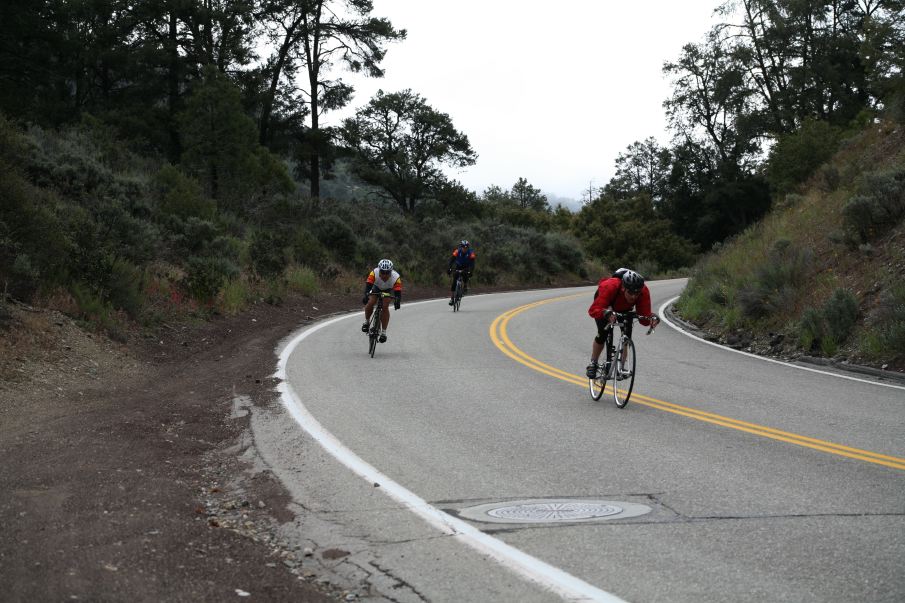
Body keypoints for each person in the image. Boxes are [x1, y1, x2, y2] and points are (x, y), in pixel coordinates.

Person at [586, 268, 660, 378]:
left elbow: (643, 319)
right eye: (630, 292)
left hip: (625, 309)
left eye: (637, 293)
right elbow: (593, 310)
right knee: (603, 333)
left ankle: (621, 366)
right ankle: (593, 363)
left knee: (626, 337)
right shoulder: (610, 286)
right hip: (606, 306)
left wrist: (651, 318)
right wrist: (605, 313)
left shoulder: (643, 291)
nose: (634, 296)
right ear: (623, 288)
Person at [361, 259, 402, 342]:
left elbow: (397, 292)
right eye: (382, 272)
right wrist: (366, 295)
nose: (385, 275)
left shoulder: (396, 277)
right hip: (376, 287)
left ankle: (383, 333)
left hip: (387, 290)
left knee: (385, 306)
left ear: (391, 272)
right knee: (371, 302)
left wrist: (397, 301)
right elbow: (368, 286)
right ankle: (366, 322)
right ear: (379, 270)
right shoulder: (374, 273)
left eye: (387, 273)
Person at [447, 239, 476, 305]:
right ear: (461, 247)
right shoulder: (457, 251)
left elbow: (472, 263)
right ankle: (452, 299)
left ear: (468, 247)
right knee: (454, 281)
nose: (465, 249)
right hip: (458, 266)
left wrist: (471, 271)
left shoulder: (471, 253)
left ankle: (465, 285)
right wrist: (449, 268)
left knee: (465, 275)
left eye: (466, 247)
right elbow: (451, 260)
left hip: (466, 267)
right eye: (463, 247)